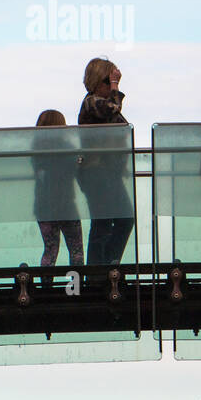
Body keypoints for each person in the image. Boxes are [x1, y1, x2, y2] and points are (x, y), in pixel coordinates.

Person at [77, 58, 135, 265]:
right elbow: (112, 108)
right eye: (107, 81)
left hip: (110, 173)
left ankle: (108, 264)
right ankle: (97, 273)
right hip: (96, 173)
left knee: (124, 219)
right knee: (102, 223)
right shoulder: (91, 102)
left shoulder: (99, 105)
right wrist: (116, 86)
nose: (110, 86)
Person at [32, 110, 84, 273]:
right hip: (66, 205)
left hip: (43, 206)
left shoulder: (36, 148)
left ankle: (46, 289)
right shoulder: (67, 148)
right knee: (76, 250)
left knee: (50, 249)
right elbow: (75, 165)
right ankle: (75, 289)